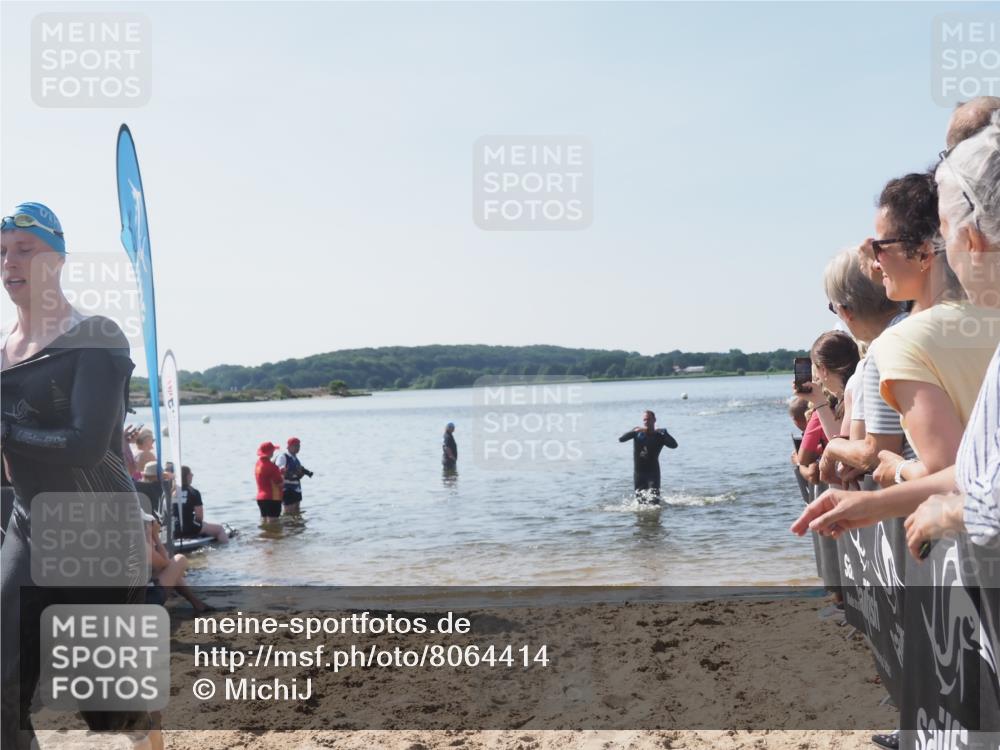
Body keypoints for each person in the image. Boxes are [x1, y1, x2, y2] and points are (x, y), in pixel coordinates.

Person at [0, 204, 157, 748]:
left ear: (59, 260)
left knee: (115, 712)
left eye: (26, 248)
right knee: (1, 690)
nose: (10, 261)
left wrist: (4, 432)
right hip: (27, 529)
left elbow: (87, 446)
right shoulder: (0, 353)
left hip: (98, 538)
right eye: (1, 252)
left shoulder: (96, 336)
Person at [794, 144, 1000, 541]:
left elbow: (961, 472)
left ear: (925, 252)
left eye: (879, 247)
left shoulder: (901, 342)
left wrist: (896, 477)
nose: (873, 260)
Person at [816, 248, 906, 488]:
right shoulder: (928, 326)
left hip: (923, 502)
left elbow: (877, 452)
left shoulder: (883, 350)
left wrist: (833, 448)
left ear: (845, 311)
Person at [619, 410, 678, 502]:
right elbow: (621, 439)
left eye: (649, 419)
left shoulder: (660, 435)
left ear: (654, 420)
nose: (646, 422)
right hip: (639, 474)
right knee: (640, 502)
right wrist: (634, 431)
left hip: (653, 474)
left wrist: (664, 433)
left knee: (654, 502)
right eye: (644, 420)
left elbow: (674, 445)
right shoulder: (637, 433)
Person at [175, 465, 228, 543]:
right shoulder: (193, 492)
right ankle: (227, 550)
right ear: (187, 476)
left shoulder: (170, 492)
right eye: (191, 473)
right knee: (220, 529)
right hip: (188, 528)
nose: (193, 475)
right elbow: (199, 517)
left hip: (173, 530)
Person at [276, 437, 313, 515]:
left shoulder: (296, 459)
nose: (298, 448)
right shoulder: (283, 456)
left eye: (299, 446)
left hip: (296, 489)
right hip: (287, 489)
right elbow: (279, 470)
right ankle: (288, 526)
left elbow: (296, 477)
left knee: (297, 512)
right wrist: (294, 473)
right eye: (295, 446)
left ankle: (296, 527)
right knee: (288, 513)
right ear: (289, 446)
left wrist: (300, 475)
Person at [255, 441, 284, 522]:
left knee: (264, 522)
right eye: (273, 451)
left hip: (260, 498)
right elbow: (280, 484)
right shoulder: (272, 467)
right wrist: (282, 474)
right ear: (270, 452)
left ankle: (265, 535)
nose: (274, 452)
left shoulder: (258, 464)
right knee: (274, 524)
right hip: (272, 498)